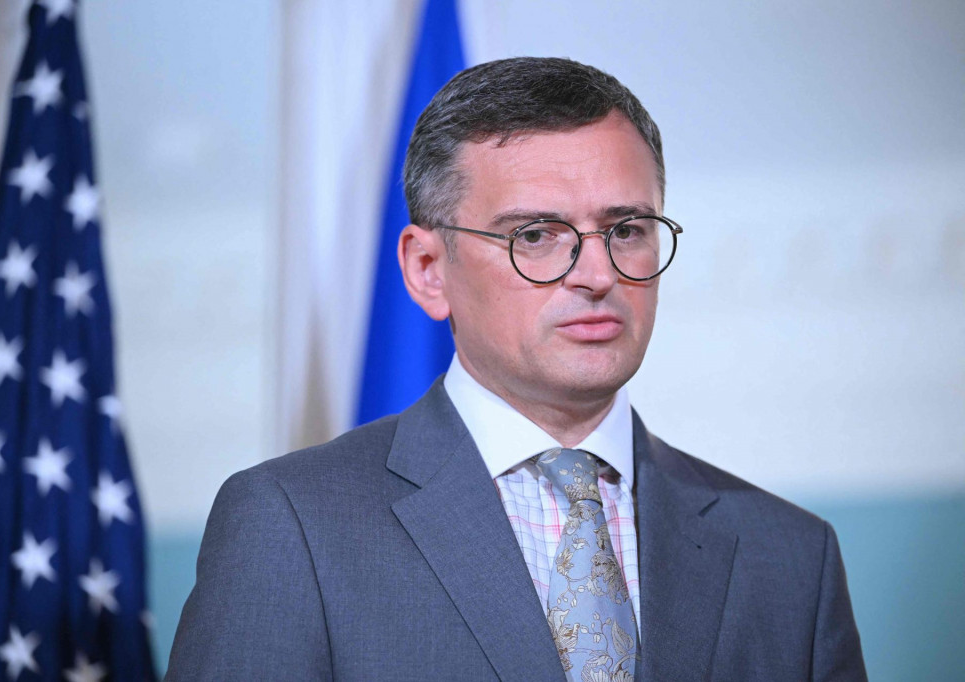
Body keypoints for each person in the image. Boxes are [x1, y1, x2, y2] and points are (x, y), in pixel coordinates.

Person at [166, 57, 867, 681]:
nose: (597, 273)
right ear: (427, 270)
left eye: (626, 229)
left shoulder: (790, 558)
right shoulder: (294, 526)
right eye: (536, 235)